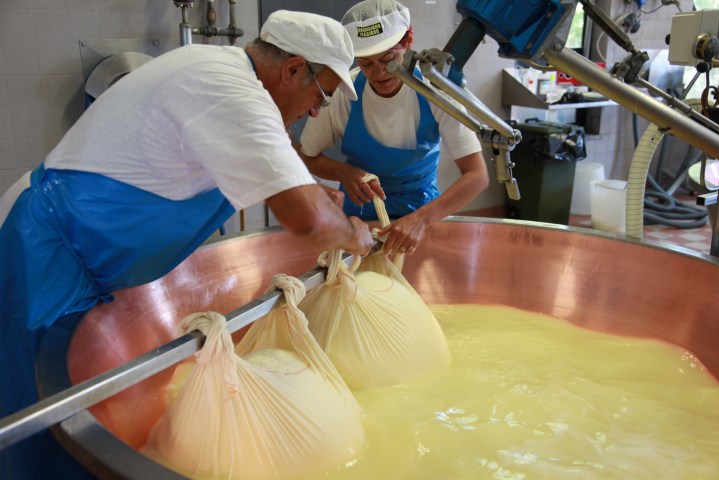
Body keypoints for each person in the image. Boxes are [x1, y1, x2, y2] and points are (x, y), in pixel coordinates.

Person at [0, 10, 373, 479]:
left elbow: (247, 171)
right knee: (40, 416)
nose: (318, 110)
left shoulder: (220, 73)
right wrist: (354, 234)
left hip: (92, 264)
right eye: (322, 95)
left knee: (78, 414)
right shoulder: (232, 91)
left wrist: (317, 194)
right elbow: (309, 222)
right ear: (294, 68)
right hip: (45, 252)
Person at [299, 0, 490, 256]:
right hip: (359, 215)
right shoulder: (343, 94)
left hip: (420, 209)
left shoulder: (438, 92)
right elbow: (308, 156)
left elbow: (477, 176)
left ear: (408, 39)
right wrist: (344, 172)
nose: (380, 73)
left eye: (389, 60)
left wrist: (421, 220)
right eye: (367, 64)